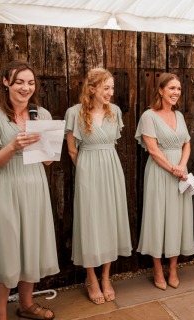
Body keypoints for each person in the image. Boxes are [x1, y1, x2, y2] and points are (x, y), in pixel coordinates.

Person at [0, 60, 59, 320]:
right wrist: (12, 146)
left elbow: (47, 161)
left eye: (30, 82)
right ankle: (0, 316)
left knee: (29, 246)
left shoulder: (41, 115)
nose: (25, 88)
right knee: (3, 251)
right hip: (3, 189)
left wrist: (48, 143)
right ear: (6, 82)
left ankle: (26, 305)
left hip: (34, 188)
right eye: (19, 82)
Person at [65, 68, 132, 304]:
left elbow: (112, 142)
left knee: (109, 220)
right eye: (106, 88)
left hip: (111, 168)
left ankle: (106, 277)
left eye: (112, 88)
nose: (110, 93)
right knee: (90, 221)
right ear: (92, 88)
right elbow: (72, 149)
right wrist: (85, 168)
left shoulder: (114, 111)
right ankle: (91, 277)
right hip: (88, 169)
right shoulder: (74, 112)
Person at [135, 73, 194, 290]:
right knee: (158, 217)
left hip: (180, 171)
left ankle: (174, 267)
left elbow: (187, 144)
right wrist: (173, 169)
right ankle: (158, 269)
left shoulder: (179, 116)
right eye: (171, 88)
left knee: (177, 218)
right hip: (160, 173)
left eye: (178, 89)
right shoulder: (149, 116)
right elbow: (152, 149)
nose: (176, 93)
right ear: (160, 90)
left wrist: (181, 166)